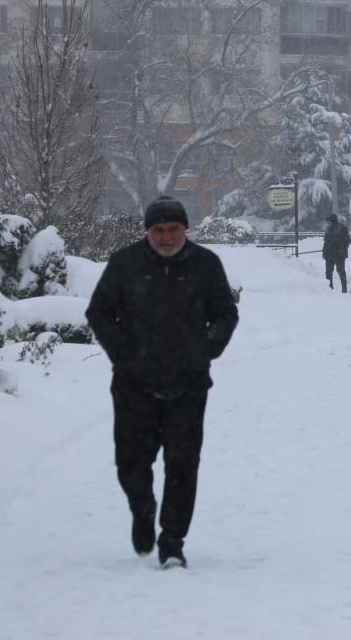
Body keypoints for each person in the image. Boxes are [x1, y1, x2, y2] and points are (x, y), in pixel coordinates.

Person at [85, 196, 239, 569]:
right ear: (148, 232)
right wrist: (121, 352)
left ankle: (172, 542)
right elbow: (99, 312)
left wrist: (206, 349)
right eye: (159, 229)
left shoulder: (206, 265)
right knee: (131, 463)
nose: (166, 236)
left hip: (188, 386)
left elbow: (225, 314)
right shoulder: (125, 265)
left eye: (174, 229)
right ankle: (142, 509)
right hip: (133, 385)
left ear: (185, 229)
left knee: (182, 465)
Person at [322, 214, 351, 292]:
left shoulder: (342, 228)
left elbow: (347, 241)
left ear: (332, 221)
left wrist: (338, 244)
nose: (327, 223)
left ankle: (344, 289)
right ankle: (329, 288)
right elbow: (326, 242)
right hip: (329, 254)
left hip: (339, 254)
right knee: (328, 272)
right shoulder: (328, 230)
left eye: (329, 221)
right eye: (327, 222)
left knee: (340, 271)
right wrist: (324, 251)